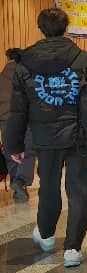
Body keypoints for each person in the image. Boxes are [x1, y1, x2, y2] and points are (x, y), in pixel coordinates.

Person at [6, 8, 87, 267]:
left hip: (44, 138)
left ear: (41, 29)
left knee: (48, 187)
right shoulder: (84, 59)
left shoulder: (25, 64)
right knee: (78, 191)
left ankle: (46, 234)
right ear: (66, 29)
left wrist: (14, 145)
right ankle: (72, 249)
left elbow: (18, 109)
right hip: (80, 135)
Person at [0, 48, 35, 202]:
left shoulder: (1, 76)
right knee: (27, 151)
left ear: (8, 58)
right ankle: (20, 181)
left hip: (5, 120)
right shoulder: (27, 73)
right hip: (25, 119)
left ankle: (16, 182)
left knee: (11, 152)